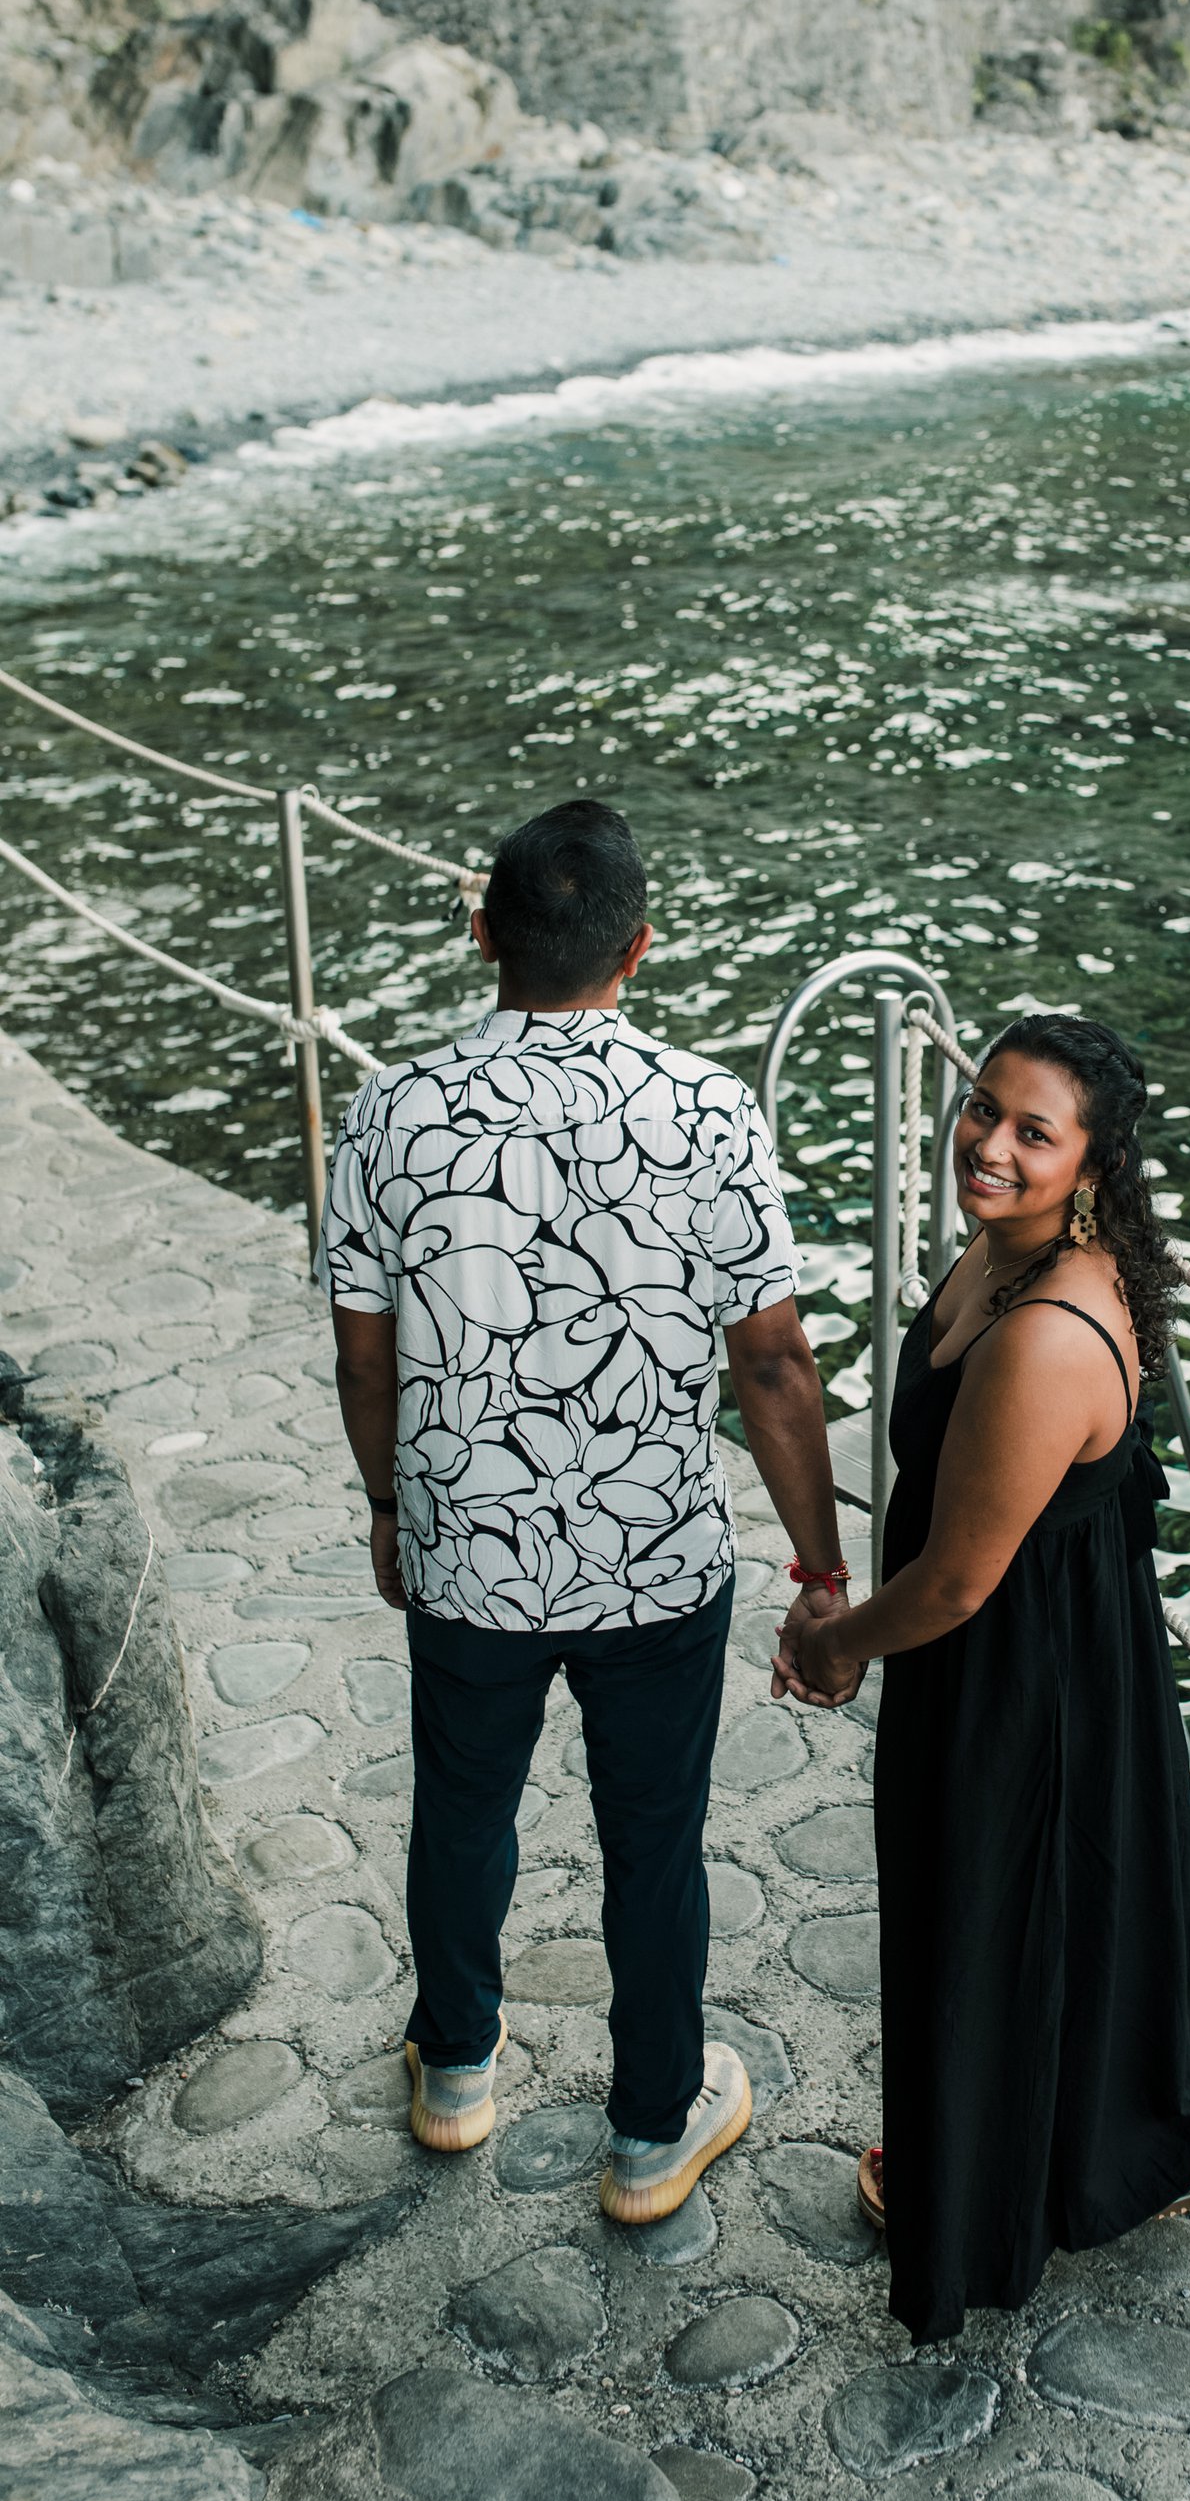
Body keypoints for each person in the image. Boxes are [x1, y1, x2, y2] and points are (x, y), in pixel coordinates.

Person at [322, 797, 847, 2225]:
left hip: (467, 1549)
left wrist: (390, 1503)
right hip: (654, 1559)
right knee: (656, 1840)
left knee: (462, 1806)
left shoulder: (388, 1110)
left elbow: (365, 1354)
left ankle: (458, 2071)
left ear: (484, 931)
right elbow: (774, 1364)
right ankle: (648, 2135)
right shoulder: (711, 1110)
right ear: (641, 949)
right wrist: (823, 1562)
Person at [774, 1012, 1190, 2341]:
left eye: (1030, 1132)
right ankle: (1093, 2146)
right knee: (1027, 1916)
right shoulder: (1008, 1246)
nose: (986, 1144)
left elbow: (957, 1580)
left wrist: (831, 1640)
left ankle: (973, 2195)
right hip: (1025, 1645)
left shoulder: (1049, 1327)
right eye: (981, 1109)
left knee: (983, 1921)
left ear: (1091, 1166)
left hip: (1014, 1670)